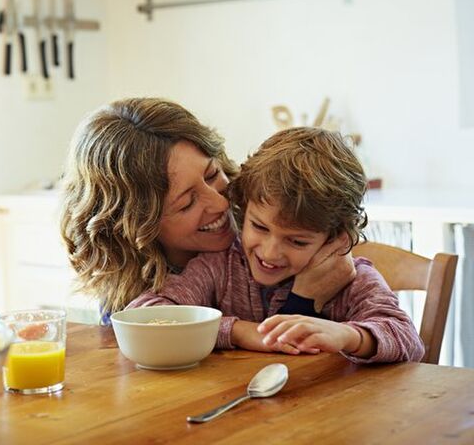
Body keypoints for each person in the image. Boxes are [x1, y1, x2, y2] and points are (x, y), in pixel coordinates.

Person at [60, 98, 354, 339]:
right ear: (136, 225)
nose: (220, 202)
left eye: (213, 174)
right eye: (187, 203)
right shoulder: (135, 300)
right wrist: (300, 302)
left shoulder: (265, 237)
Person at [128, 127, 425, 363]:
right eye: (259, 227)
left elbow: (408, 341)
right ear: (243, 209)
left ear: (336, 239)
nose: (270, 252)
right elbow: (146, 313)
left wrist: (350, 336)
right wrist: (240, 331)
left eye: (297, 241)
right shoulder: (220, 267)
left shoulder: (353, 279)